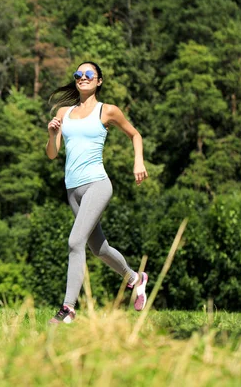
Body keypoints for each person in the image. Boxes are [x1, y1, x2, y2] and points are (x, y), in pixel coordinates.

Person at [46, 61, 149, 324]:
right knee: (98, 248)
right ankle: (135, 278)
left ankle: (68, 308)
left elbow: (135, 135)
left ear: (98, 81)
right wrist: (51, 134)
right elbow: (52, 154)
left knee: (74, 242)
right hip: (73, 189)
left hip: (97, 184)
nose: (83, 77)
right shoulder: (63, 112)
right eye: (78, 74)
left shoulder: (108, 110)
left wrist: (138, 161)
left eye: (89, 74)